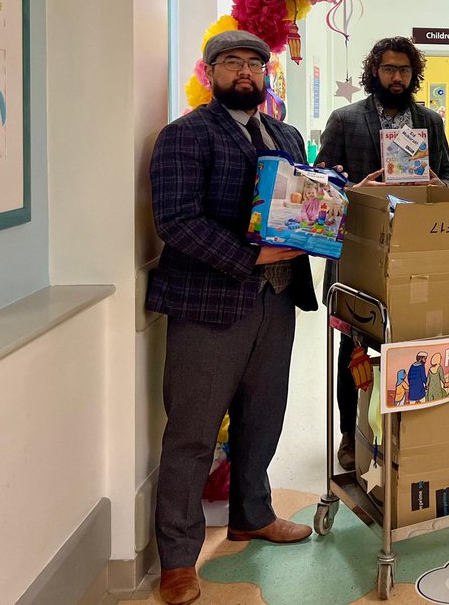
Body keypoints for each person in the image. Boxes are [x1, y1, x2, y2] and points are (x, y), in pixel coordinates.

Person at [147, 30, 316, 605]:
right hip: (209, 305)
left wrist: (342, 197)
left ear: (267, 73)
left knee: (262, 419)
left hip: (278, 301)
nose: (244, 72)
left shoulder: (288, 135)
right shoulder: (185, 136)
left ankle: (252, 513)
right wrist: (252, 256)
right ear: (210, 71)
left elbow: (303, 201)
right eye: (231, 63)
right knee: (192, 434)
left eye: (254, 63)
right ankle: (176, 560)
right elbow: (175, 221)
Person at [316, 36, 449, 469]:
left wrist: (438, 183)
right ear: (374, 71)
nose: (397, 77)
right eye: (389, 69)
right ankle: (349, 433)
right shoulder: (345, 119)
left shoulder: (429, 121)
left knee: (413, 345)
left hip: (417, 252)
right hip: (358, 252)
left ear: (414, 74)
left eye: (405, 70)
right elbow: (319, 185)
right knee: (352, 344)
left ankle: (407, 430)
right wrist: (357, 190)